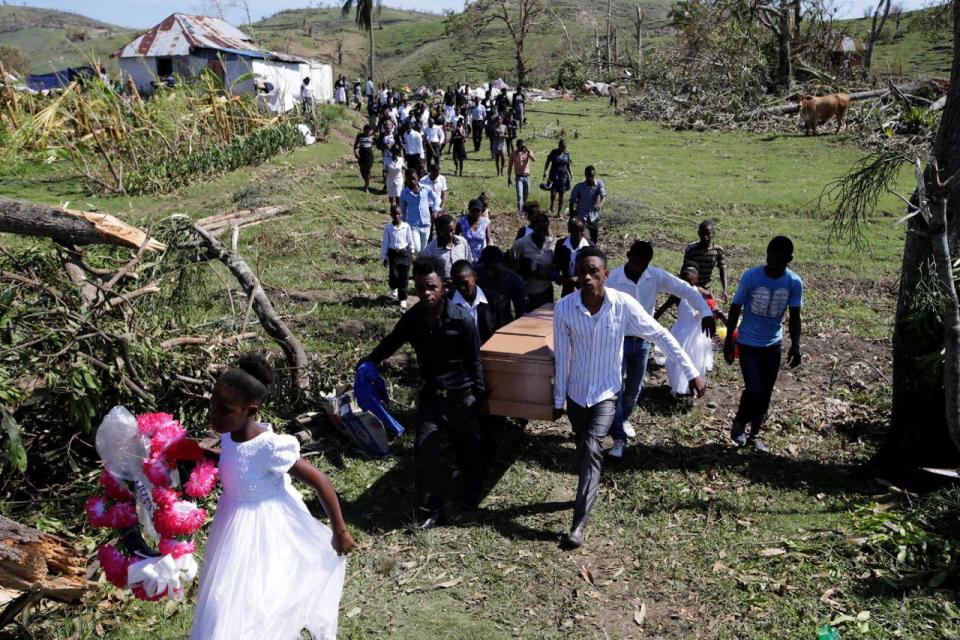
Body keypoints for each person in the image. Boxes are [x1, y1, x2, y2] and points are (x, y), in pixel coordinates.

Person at [190, 355, 355, 639]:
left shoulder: (270, 447)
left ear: (251, 410)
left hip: (263, 529)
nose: (213, 414)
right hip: (231, 523)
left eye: (224, 409)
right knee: (224, 595)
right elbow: (234, 458)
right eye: (212, 405)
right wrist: (198, 452)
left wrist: (338, 530)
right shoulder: (230, 433)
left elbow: (320, 480)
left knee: (258, 596)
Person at [553, 247, 705, 549]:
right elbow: (561, 356)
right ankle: (587, 487)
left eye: (593, 271)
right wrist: (559, 401)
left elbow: (660, 333)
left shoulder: (623, 306)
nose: (586, 277)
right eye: (582, 271)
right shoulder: (565, 308)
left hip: (606, 394)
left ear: (605, 275)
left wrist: (691, 371)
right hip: (577, 396)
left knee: (593, 447)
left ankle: (578, 525)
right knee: (584, 448)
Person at [362, 257, 486, 529]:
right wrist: (369, 361)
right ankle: (429, 510)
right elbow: (391, 342)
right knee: (424, 451)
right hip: (431, 396)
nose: (426, 293)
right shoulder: (413, 318)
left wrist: (478, 398)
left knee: (467, 449)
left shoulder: (462, 320)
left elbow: (474, 361)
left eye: (431, 287)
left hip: (460, 397)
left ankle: (470, 497)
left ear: (444, 287)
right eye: (421, 288)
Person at [605, 240, 716, 458]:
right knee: (614, 388)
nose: (639, 268)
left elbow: (688, 290)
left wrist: (706, 313)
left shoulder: (654, 276)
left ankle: (621, 419)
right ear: (628, 256)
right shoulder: (614, 279)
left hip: (644, 341)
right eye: (636, 262)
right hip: (617, 340)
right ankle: (618, 437)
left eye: (644, 264)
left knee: (634, 390)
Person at [723, 236, 803, 452]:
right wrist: (730, 340)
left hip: (773, 344)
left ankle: (754, 435)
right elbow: (735, 307)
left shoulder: (793, 282)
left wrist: (796, 345)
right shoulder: (751, 277)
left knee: (765, 393)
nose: (773, 266)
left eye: (779, 262)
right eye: (770, 259)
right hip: (748, 342)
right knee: (754, 389)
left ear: (789, 260)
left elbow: (795, 316)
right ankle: (739, 422)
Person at [658, 265, 723, 403]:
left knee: (696, 360)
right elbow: (663, 308)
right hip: (681, 332)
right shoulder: (677, 294)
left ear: (696, 280)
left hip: (697, 334)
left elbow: (712, 306)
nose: (686, 284)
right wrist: (653, 319)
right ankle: (677, 387)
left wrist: (717, 312)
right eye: (683, 280)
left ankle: (691, 390)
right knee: (677, 361)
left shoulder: (701, 293)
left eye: (689, 281)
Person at [450, 259, 508, 344]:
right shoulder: (447, 302)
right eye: (457, 283)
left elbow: (500, 328)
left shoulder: (493, 299)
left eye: (465, 283)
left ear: (475, 276)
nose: (461, 288)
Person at [509, 212, 555, 311]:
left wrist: (547, 274)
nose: (543, 232)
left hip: (546, 291)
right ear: (533, 227)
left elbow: (556, 267)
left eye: (545, 229)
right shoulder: (521, 244)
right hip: (527, 292)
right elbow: (511, 267)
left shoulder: (552, 244)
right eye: (539, 229)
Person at [477, 246, 528, 322]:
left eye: (493, 269)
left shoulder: (515, 280)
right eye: (486, 268)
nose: (489, 273)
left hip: (503, 322)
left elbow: (521, 312)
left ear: (502, 263)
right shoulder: (474, 274)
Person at [683, 219, 728, 301]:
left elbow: (722, 269)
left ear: (713, 233)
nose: (705, 237)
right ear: (698, 233)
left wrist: (725, 289)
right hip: (691, 287)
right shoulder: (691, 250)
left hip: (706, 288)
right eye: (702, 234)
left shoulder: (718, 251)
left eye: (708, 233)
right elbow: (684, 272)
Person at [381, 204, 416, 310]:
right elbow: (385, 242)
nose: (396, 216)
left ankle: (403, 299)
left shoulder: (406, 226)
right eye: (394, 214)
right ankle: (393, 287)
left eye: (398, 214)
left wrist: (413, 252)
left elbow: (410, 240)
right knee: (394, 275)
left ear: (401, 214)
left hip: (404, 254)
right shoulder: (388, 228)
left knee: (404, 277)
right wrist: (384, 257)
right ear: (391, 214)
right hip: (393, 254)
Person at [421, 214, 473, 280]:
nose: (451, 235)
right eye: (447, 232)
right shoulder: (431, 248)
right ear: (440, 231)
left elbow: (468, 263)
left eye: (453, 230)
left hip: (461, 284)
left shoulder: (462, 242)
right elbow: (425, 270)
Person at [552, 216, 592, 297]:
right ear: (569, 230)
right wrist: (559, 278)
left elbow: (592, 269)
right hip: (567, 286)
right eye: (576, 231)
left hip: (583, 286)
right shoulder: (561, 245)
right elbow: (556, 264)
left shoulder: (589, 247)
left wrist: (578, 278)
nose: (580, 234)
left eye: (582, 231)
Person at [399, 170, 438, 253]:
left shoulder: (426, 189)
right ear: (407, 179)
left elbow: (436, 198)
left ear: (417, 178)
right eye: (410, 179)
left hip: (426, 224)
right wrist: (402, 225)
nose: (412, 181)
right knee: (417, 248)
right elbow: (402, 210)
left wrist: (435, 210)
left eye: (414, 179)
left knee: (423, 250)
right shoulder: (404, 193)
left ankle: (418, 264)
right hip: (413, 225)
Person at [568, 165, 607, 243]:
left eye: (591, 176)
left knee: (594, 237)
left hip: (593, 215)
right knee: (582, 236)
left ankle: (593, 250)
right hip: (581, 215)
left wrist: (600, 205)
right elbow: (572, 200)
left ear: (594, 175)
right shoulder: (579, 186)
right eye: (588, 176)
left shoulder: (599, 184)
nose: (590, 178)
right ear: (585, 175)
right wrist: (572, 213)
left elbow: (604, 196)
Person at [543, 139, 573, 216]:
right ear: (558, 145)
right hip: (553, 174)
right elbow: (548, 161)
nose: (562, 148)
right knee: (553, 193)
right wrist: (545, 171)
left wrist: (571, 173)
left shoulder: (567, 154)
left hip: (563, 176)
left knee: (561, 194)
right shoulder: (553, 152)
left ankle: (559, 212)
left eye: (564, 147)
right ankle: (552, 205)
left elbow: (568, 165)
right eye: (561, 146)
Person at [507, 138, 534, 218]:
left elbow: (533, 159)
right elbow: (510, 166)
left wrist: (527, 150)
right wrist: (509, 178)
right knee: (520, 196)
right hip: (519, 177)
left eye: (523, 145)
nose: (522, 147)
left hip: (527, 177)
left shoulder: (527, 152)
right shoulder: (513, 154)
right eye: (520, 145)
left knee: (526, 194)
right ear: (517, 146)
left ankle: (524, 210)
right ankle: (521, 213)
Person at [459, 199, 492, 264]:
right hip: (466, 257)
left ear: (481, 211)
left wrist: (488, 255)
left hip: (481, 258)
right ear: (469, 210)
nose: (475, 213)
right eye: (473, 210)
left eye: (478, 211)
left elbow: (489, 240)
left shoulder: (485, 223)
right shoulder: (462, 222)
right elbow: (456, 238)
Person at [353, 124, 375, 193]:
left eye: (368, 131)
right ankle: (366, 180)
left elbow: (377, 143)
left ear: (370, 131)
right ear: (363, 130)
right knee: (362, 171)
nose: (366, 132)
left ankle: (366, 186)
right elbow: (355, 146)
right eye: (365, 130)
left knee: (367, 170)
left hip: (369, 156)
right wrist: (355, 153)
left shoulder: (372, 136)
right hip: (361, 156)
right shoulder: (359, 136)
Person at [385, 143, 406, 208]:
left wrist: (409, 172)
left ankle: (397, 207)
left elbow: (404, 168)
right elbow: (385, 170)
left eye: (396, 152)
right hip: (390, 178)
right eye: (393, 151)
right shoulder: (387, 160)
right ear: (391, 152)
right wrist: (385, 176)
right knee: (391, 195)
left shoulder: (401, 159)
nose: (394, 153)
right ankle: (391, 206)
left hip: (399, 179)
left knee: (398, 195)